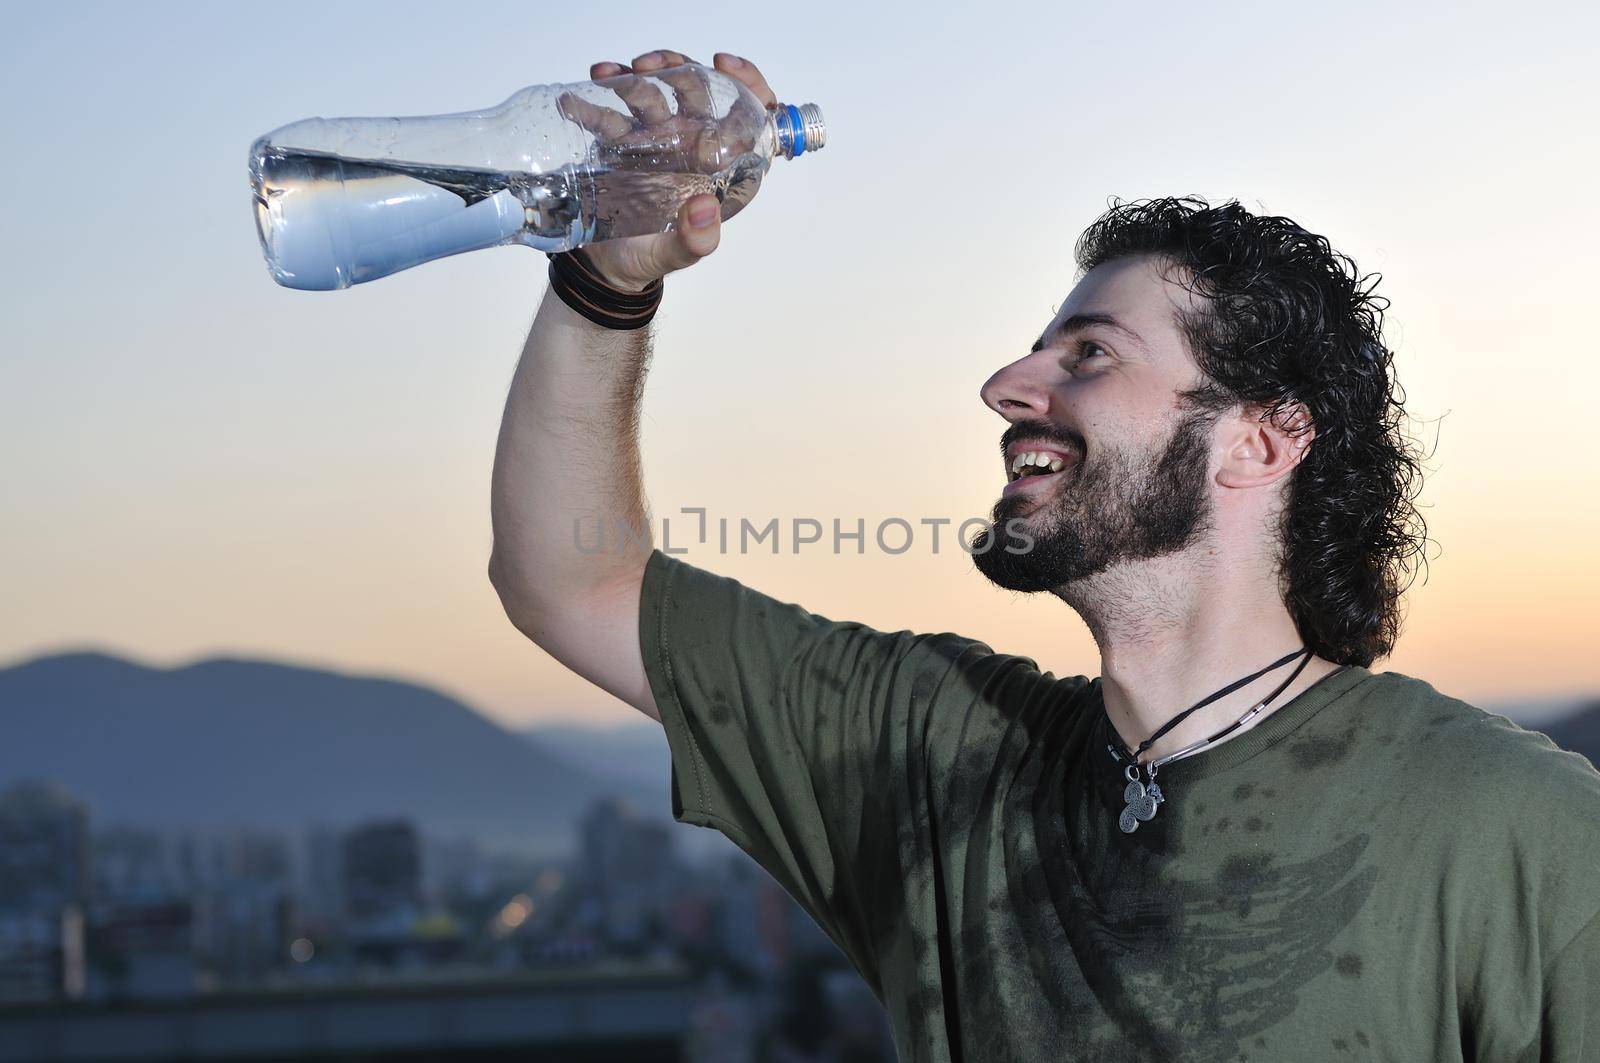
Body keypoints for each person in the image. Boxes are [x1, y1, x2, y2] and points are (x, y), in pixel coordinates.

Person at [488, 48, 1600, 1061]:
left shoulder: (1515, 827)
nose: (1006, 388)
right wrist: (606, 284)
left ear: (1258, 441)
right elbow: (570, 579)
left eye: (1090, 354)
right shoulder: (935, 749)